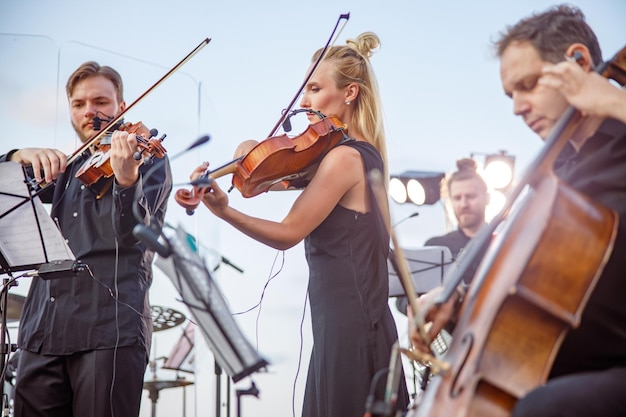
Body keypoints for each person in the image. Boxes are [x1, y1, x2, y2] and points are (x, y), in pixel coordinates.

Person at [409, 5, 626, 417]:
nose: (517, 107)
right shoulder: (553, 178)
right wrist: (456, 297)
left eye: (528, 85)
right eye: (511, 94)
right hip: (557, 366)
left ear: (578, 63)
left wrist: (615, 102)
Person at [188, 32, 409, 417]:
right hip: (352, 327)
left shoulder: (344, 160)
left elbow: (288, 233)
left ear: (350, 93)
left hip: (349, 333)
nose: (303, 101)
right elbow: (268, 180)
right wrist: (250, 155)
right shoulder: (358, 158)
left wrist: (224, 211)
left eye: (314, 88)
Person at [0, 61, 172, 417]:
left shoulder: (146, 159)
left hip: (109, 329)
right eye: (79, 104)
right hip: (42, 330)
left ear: (122, 108)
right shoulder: (65, 166)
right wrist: (17, 156)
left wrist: (127, 182)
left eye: (100, 102)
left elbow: (135, 236)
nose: (89, 112)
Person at [395, 157, 489, 314]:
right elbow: (404, 298)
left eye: (471, 196)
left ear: (487, 198)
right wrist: (417, 306)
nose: (463, 204)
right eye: (457, 198)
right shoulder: (436, 245)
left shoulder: (503, 244)